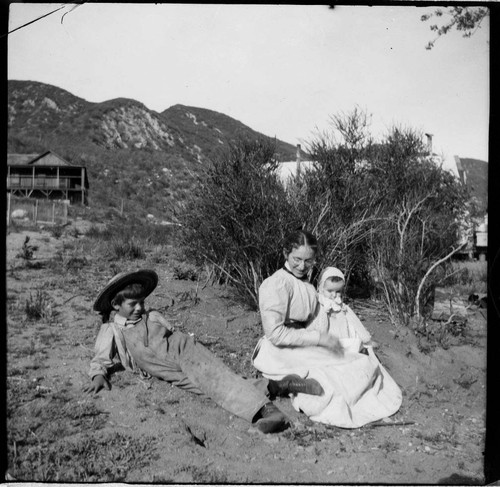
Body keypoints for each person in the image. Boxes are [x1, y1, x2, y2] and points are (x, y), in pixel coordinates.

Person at [82, 269, 324, 434]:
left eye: (141, 302)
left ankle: (268, 412)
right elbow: (101, 356)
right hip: (169, 372)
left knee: (215, 379)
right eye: (132, 304)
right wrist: (99, 374)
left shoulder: (151, 316)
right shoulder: (112, 330)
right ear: (115, 305)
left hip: (183, 350)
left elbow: (170, 332)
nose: (139, 308)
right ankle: (278, 386)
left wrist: (155, 318)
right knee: (215, 388)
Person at [252, 230, 402, 428]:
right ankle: (284, 385)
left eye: (308, 261)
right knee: (328, 382)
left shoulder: (305, 283)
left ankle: (287, 384)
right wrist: (318, 339)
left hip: (304, 344)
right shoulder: (276, 284)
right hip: (279, 350)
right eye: (297, 259)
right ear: (285, 253)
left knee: (359, 362)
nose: (302, 266)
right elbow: (276, 334)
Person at [307, 266, 377, 351]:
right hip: (324, 337)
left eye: (338, 291)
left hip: (343, 336)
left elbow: (355, 322)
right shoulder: (318, 305)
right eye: (329, 291)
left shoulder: (342, 307)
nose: (334, 295)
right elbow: (313, 323)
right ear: (321, 289)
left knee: (352, 331)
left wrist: (366, 339)